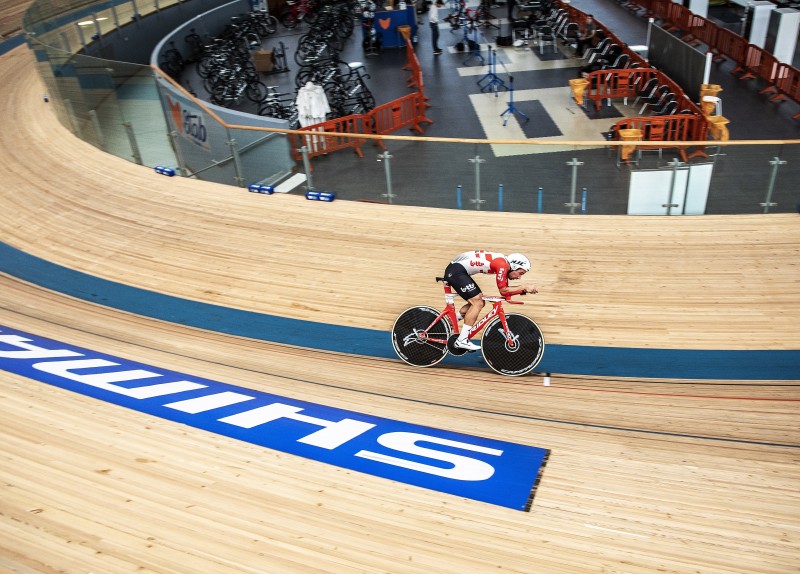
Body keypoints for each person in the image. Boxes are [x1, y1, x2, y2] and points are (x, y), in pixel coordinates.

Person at [443, 250, 538, 351]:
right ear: (514, 266)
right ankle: (462, 341)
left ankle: (449, 322)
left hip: (457, 270)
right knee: (477, 303)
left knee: (479, 302)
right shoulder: (502, 265)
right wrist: (523, 287)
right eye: (520, 273)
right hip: (456, 271)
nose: (519, 277)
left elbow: (506, 291)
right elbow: (504, 291)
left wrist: (523, 290)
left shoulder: (504, 264)